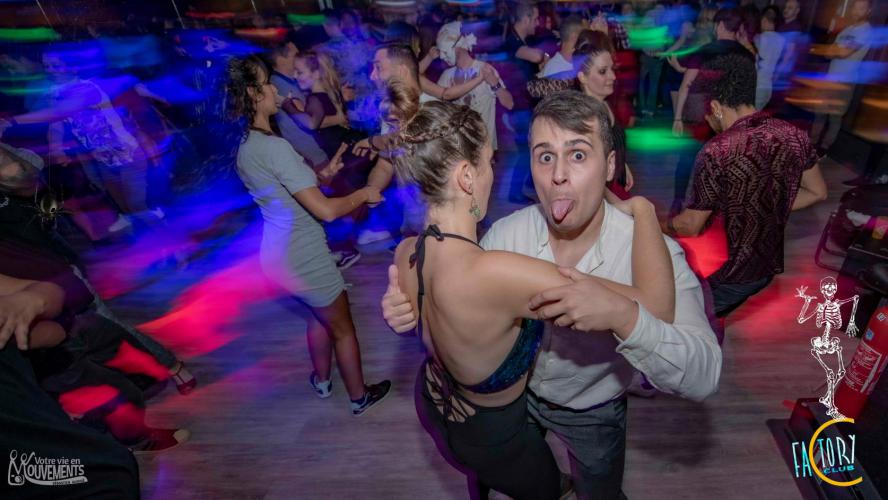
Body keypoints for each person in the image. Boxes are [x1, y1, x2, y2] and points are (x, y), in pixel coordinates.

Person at [384, 91, 722, 500]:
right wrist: (405, 310)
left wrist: (626, 309)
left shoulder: (657, 256)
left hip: (588, 410)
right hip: (513, 411)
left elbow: (702, 374)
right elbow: (459, 305)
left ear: (610, 165)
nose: (558, 175)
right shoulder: (504, 239)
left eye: (578, 155)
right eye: (545, 156)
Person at [225, 55, 390, 416]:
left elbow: (287, 188)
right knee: (342, 328)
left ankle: (322, 380)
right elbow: (326, 211)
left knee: (317, 316)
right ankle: (359, 397)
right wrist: (364, 193)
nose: (275, 90)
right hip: (304, 255)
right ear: (253, 94)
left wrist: (324, 175)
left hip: (277, 256)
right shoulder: (275, 147)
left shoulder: (245, 145)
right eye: (267, 84)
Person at [665, 53, 827, 318]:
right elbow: (817, 192)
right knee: (713, 314)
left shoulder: (718, 150)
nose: (707, 119)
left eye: (707, 112)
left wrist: (659, 224)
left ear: (716, 106)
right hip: (764, 268)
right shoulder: (794, 135)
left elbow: (690, 225)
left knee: (690, 318)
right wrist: (762, 205)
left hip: (726, 273)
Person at [0, 275, 140, 499]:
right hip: (17, 438)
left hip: (27, 426)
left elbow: (53, 315)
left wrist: (30, 299)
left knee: (110, 467)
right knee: (108, 471)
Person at [526, 33, 634, 195]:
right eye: (603, 71)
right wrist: (617, 204)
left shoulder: (605, 103)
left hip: (615, 186)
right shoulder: (584, 119)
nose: (612, 76)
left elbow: (610, 145)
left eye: (612, 69)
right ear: (583, 77)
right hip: (599, 197)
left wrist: (621, 163)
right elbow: (584, 178)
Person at [671, 7, 754, 213]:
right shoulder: (747, 55)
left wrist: (678, 118)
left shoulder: (706, 50)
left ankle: (678, 202)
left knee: (687, 158)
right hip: (729, 117)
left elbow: (687, 85)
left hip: (702, 114)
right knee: (718, 162)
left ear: (720, 25)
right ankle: (707, 206)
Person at [434, 21, 514, 152]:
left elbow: (509, 103)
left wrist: (495, 84)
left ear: (458, 46)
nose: (442, 56)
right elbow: (435, 109)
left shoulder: (484, 69)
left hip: (482, 151)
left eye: (444, 50)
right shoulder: (446, 76)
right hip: (457, 150)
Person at [810, 0, 873, 157]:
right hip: (830, 78)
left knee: (834, 118)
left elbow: (844, 53)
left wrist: (836, 50)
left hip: (845, 82)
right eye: (855, 8)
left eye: (861, 8)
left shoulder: (866, 31)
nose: (856, 11)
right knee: (819, 114)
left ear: (868, 11)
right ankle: (811, 145)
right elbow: (828, 54)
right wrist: (835, 50)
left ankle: (823, 149)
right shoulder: (847, 29)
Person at [266, 40, 329, 169]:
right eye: (295, 54)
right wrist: (340, 117)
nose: (300, 57)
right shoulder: (279, 86)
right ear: (281, 60)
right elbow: (311, 121)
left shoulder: (289, 81)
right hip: (315, 157)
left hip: (317, 153)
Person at [755, 6, 786, 110]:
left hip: (757, 84)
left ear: (764, 20)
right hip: (768, 86)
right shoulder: (782, 40)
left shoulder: (759, 38)